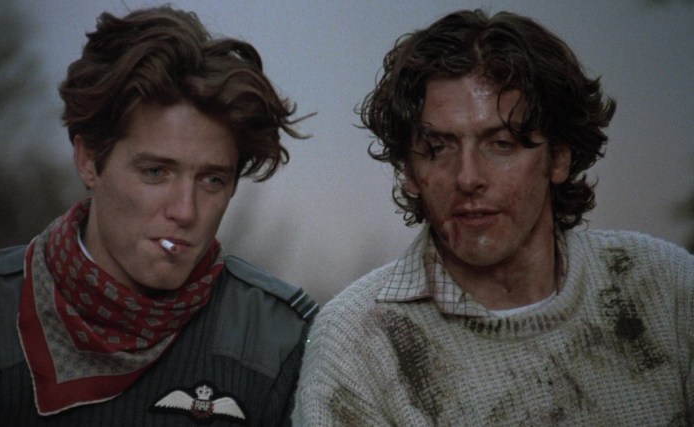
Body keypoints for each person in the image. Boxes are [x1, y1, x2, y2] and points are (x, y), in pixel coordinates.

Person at [293, 9, 693, 426]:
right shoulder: (358, 341)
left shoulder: (664, 289)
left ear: (559, 156)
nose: (468, 178)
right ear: (409, 170)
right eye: (438, 147)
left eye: (501, 143)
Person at [0, 6, 318, 426]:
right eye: (155, 172)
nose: (185, 211)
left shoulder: (280, 342)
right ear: (88, 160)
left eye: (212, 180)